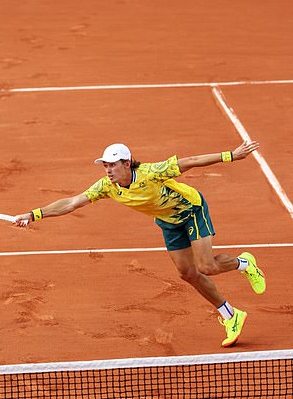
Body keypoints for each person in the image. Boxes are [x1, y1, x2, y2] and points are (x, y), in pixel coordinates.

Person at [14, 141, 265, 347]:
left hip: (191, 210)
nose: (108, 170)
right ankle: (230, 315)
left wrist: (231, 155)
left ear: (126, 163)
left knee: (207, 266)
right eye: (105, 166)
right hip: (168, 222)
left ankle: (245, 263)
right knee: (188, 274)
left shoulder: (152, 172)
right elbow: (72, 203)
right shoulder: (107, 187)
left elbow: (189, 161)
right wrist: (33, 214)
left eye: (112, 165)